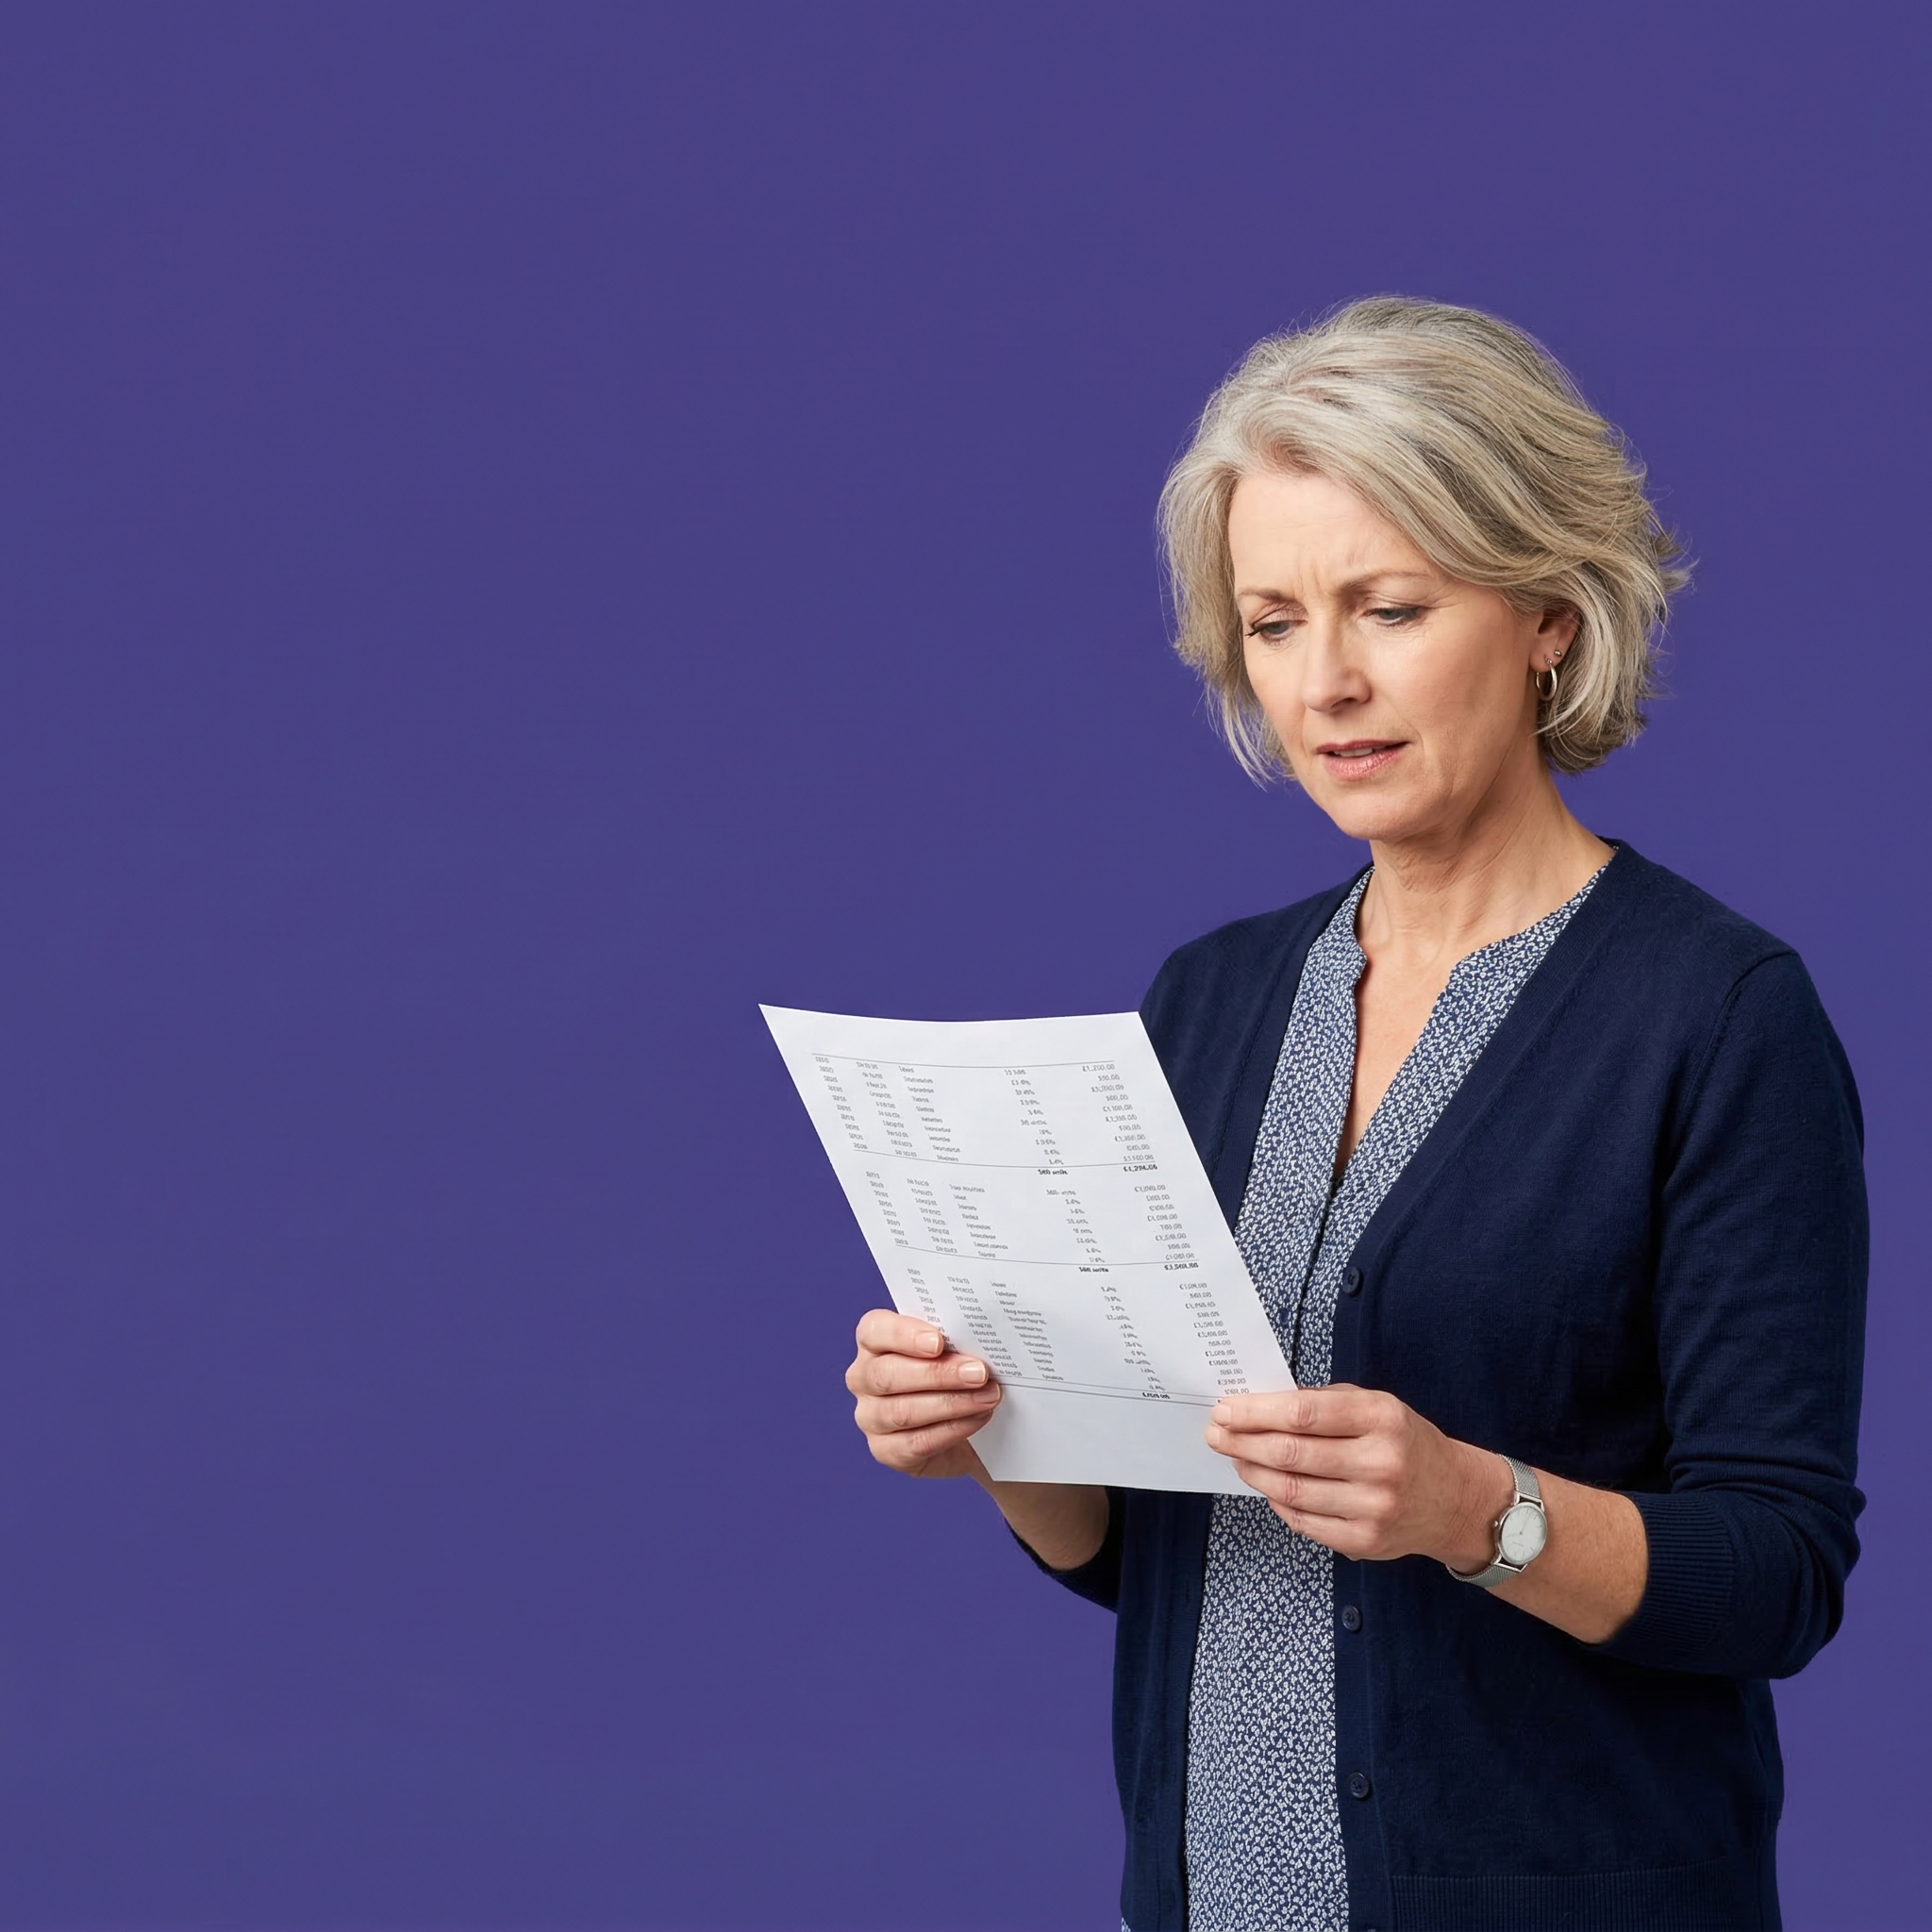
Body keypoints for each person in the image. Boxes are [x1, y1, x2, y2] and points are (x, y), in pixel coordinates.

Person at [842, 298, 1866, 1932]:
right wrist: (996, 1437)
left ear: (1546, 607)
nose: (1324, 684)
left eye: (1390, 608)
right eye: (1270, 622)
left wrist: (1474, 1512)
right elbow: (1141, 1556)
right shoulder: (1213, 999)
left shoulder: (1718, 1016)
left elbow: (1778, 1572)